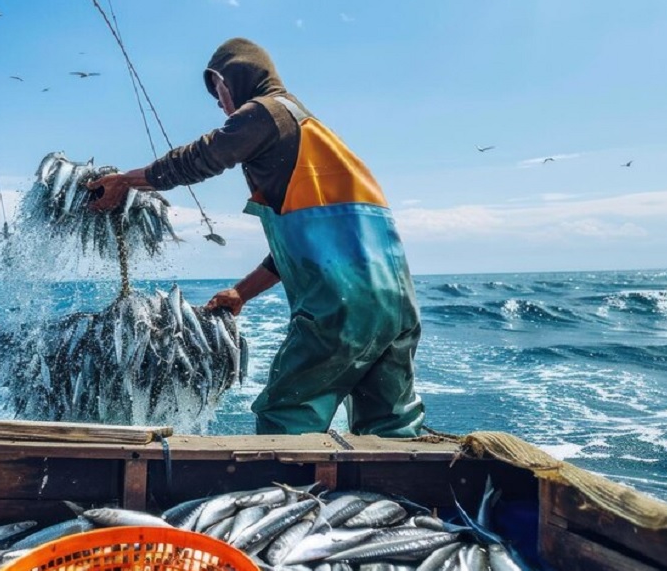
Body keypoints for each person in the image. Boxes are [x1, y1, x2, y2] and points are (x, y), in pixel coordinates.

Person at [87, 37, 424, 437]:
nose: (219, 104)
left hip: (340, 308)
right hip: (396, 306)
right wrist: (241, 293)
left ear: (234, 77)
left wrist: (127, 181)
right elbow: (303, 250)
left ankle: (289, 497)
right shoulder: (315, 137)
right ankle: (401, 494)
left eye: (219, 91)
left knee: (287, 414)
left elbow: (202, 157)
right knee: (390, 423)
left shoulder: (267, 113)